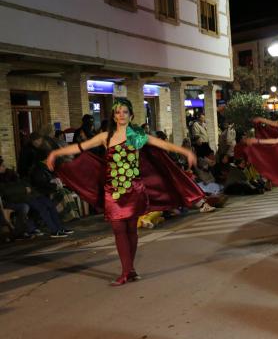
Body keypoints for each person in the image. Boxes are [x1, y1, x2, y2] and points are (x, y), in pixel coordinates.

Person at [47, 98, 207, 286]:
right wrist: (55, 153)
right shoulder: (105, 137)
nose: (121, 115)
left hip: (134, 190)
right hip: (113, 192)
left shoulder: (137, 136)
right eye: (117, 112)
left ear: (131, 115)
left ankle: (129, 270)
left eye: (124, 112)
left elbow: (163, 145)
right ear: (114, 116)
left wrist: (186, 152)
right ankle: (126, 271)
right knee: (118, 229)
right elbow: (80, 147)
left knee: (131, 230)